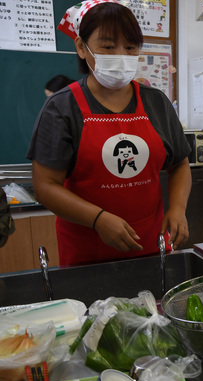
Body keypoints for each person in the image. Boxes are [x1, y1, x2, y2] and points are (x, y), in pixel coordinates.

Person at [27, 0, 191, 266]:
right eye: (107, 46)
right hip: (88, 255)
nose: (121, 55)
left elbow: (180, 163)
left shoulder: (156, 102)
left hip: (152, 246)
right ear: (82, 47)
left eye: (130, 47)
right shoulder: (61, 108)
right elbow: (45, 186)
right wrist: (97, 219)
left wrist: (178, 208)